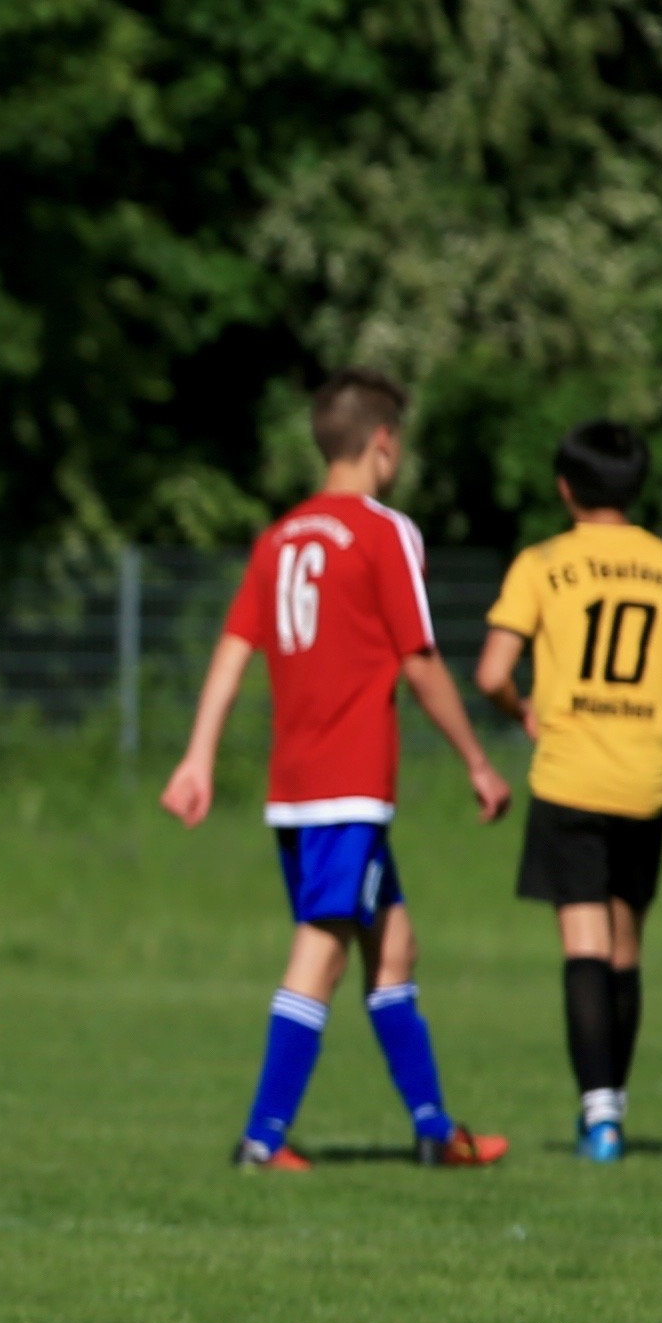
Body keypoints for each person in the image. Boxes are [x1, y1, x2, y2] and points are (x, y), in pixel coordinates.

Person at [159, 370, 513, 1170]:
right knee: (322, 947)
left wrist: (199, 755)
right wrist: (479, 761)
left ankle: (434, 1134)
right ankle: (261, 1139)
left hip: (294, 790)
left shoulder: (279, 538)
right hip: (349, 788)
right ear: (385, 443)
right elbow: (419, 663)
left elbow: (232, 649)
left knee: (395, 947)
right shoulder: (386, 531)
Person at [474, 423, 662, 1162]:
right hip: (642, 776)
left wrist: (521, 711)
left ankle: (600, 1118)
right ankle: (615, 1105)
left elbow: (492, 671)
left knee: (582, 943)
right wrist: (658, 722)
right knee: (625, 946)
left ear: (565, 487)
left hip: (570, 773)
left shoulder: (542, 564)